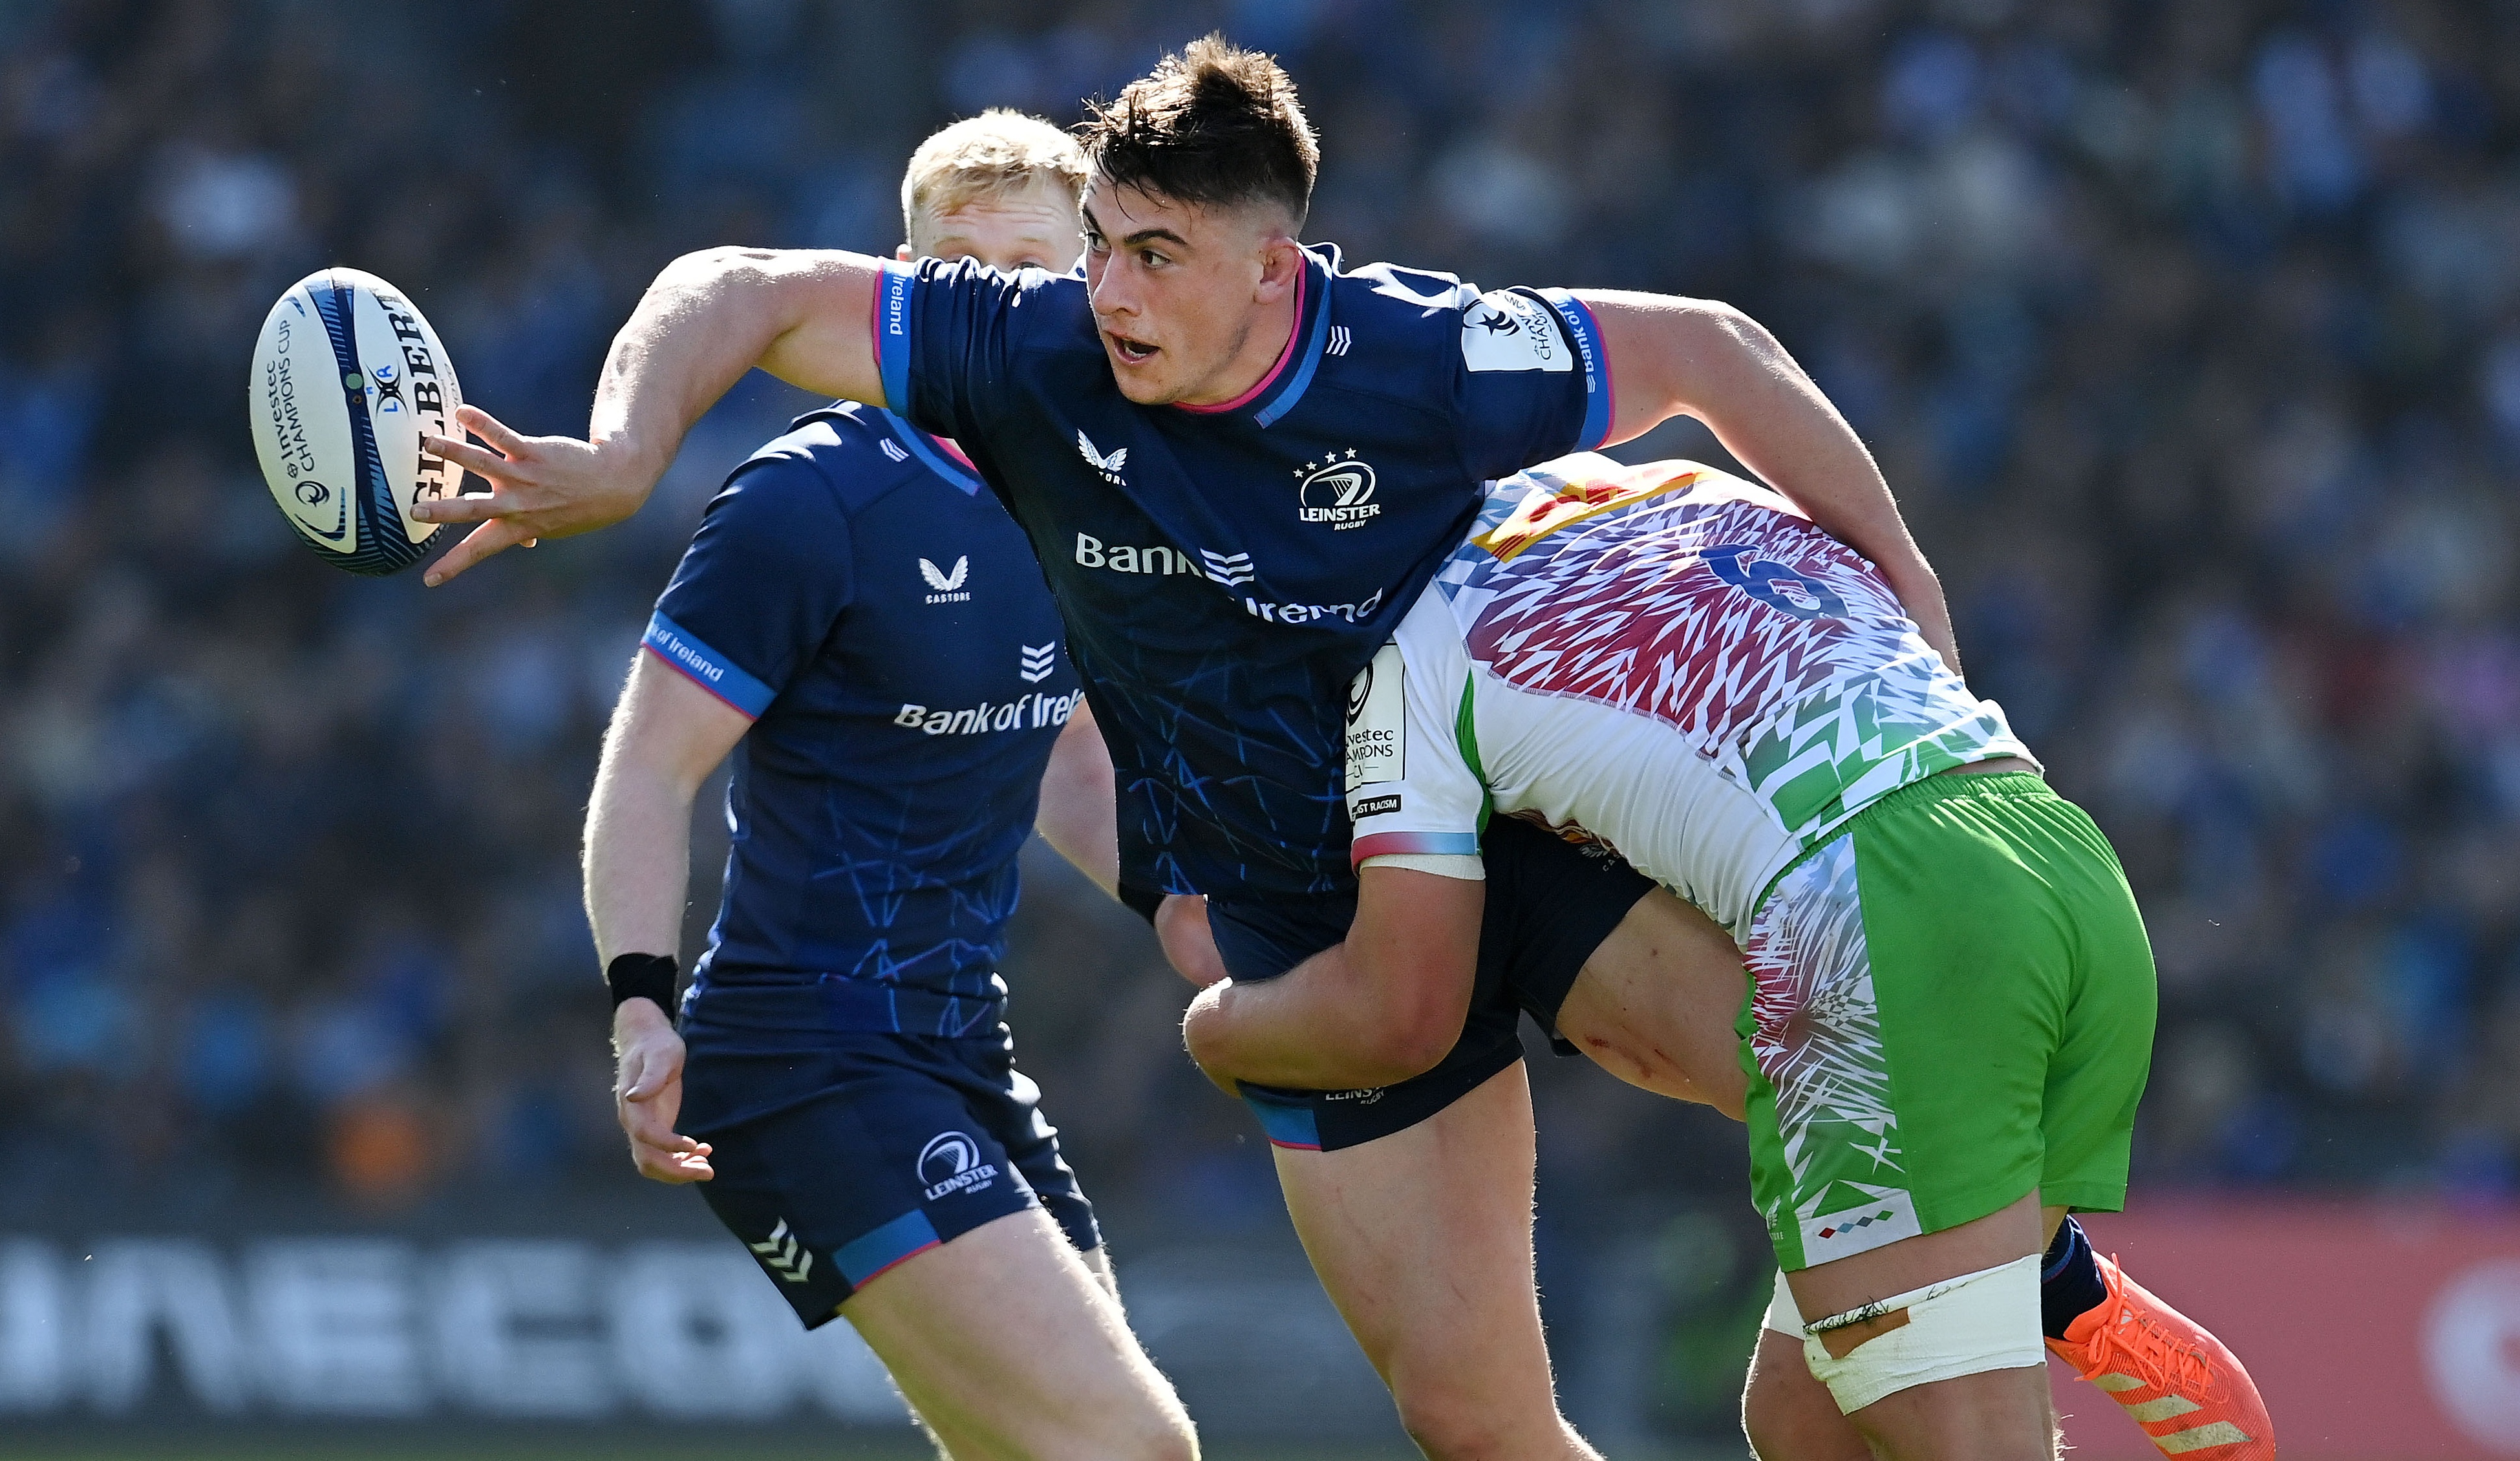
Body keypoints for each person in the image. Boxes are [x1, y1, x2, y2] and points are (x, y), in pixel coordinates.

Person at [413, 35, 2039, 1460]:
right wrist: (626, 451)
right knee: (1471, 1422)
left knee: (1829, 1081)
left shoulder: (1418, 355)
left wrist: (1909, 599)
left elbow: (1709, 350)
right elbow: (746, 289)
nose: (1107, 296)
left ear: (1273, 268)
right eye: (1097, 253)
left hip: (1504, 848)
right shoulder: (1023, 369)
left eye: (1149, 256)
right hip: (1304, 932)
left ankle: (2029, 1273)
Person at [1179, 453, 2276, 1460]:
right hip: (2045, 846)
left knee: (1950, 1431)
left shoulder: (1399, 667)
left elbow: (1395, 1013)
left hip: (1881, 922)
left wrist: (1218, 1029)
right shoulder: (1659, 488)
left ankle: (2031, 1268)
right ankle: (2041, 1268)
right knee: (1803, 1417)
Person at [584, 111, 1195, 1459]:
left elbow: (1067, 753)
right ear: (901, 289)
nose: (989, 301)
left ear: (1092, 277)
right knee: (1128, 1448)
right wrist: (640, 999)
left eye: (1026, 268)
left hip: (959, 1052)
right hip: (803, 1053)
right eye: (953, 271)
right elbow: (647, 765)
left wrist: (1192, 912)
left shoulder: (1090, 490)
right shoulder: (814, 502)